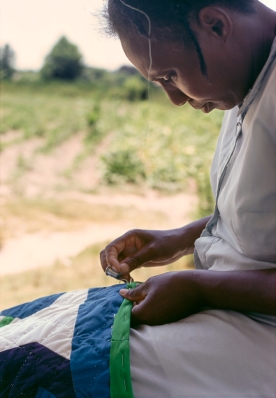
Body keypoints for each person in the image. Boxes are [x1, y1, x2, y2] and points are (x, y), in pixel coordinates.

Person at [99, 0, 276, 396]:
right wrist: (181, 237)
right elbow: (263, 214)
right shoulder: (247, 81)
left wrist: (199, 288)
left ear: (215, 24)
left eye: (171, 75)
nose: (176, 99)